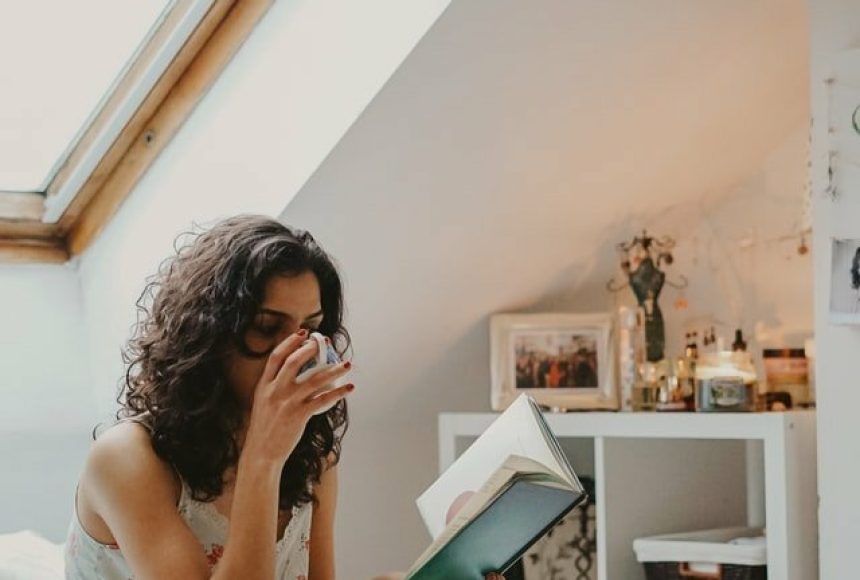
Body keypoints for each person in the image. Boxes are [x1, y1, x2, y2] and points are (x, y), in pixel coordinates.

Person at [63, 215, 357, 579]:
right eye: (266, 327)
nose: (296, 352)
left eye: (309, 329)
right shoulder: (125, 459)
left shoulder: (313, 455)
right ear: (209, 335)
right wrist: (263, 459)